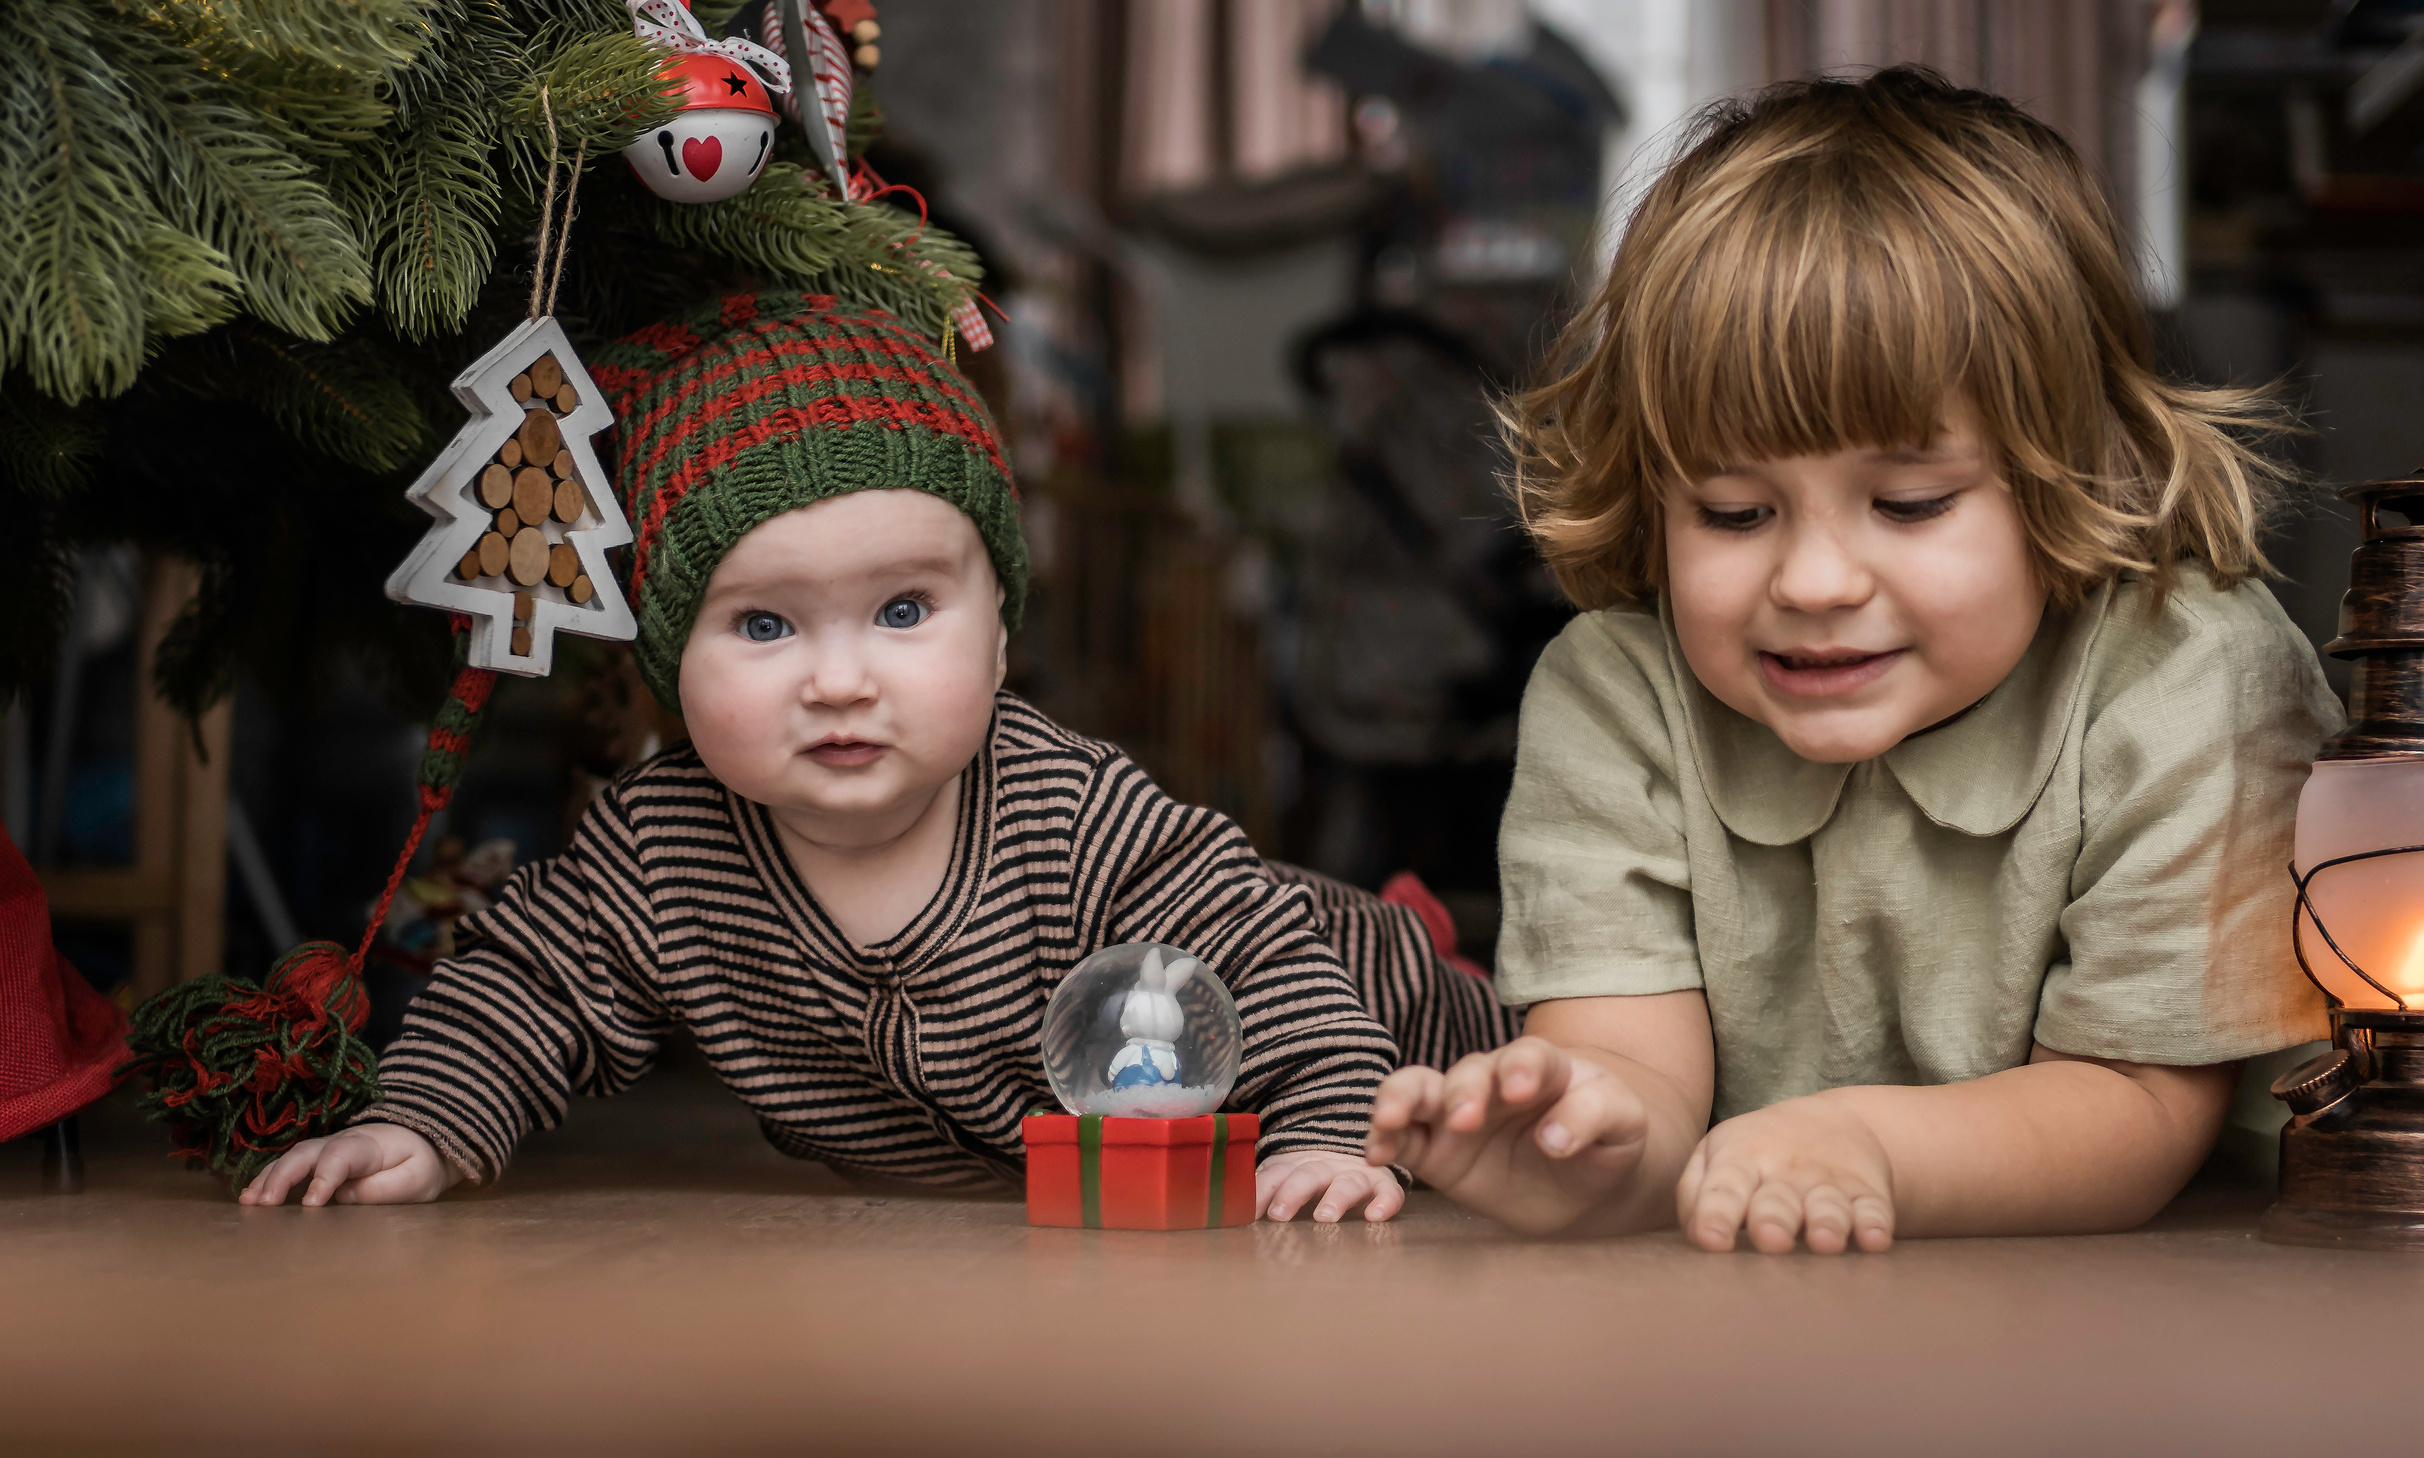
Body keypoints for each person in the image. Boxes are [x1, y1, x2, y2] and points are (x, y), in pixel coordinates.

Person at [239, 295, 1510, 1220]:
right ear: (668, 660)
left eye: (903, 613)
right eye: (764, 625)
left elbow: (1269, 967)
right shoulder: (659, 850)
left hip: (1365, 994)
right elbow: (532, 985)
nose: (839, 677)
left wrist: (1341, 1136)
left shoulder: (1077, 813)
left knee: (1519, 1070)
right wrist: (422, 1123)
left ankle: (1457, 947)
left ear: (999, 636)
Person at [1364, 68, 2339, 1253]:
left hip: (2186, 1305)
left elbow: (2137, 1114)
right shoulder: (1613, 697)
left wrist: (1858, 1146)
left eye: (1911, 503)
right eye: (1731, 512)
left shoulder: (2193, 681)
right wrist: (1578, 1151)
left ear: (2076, 477)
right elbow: (1635, 1079)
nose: (1813, 583)